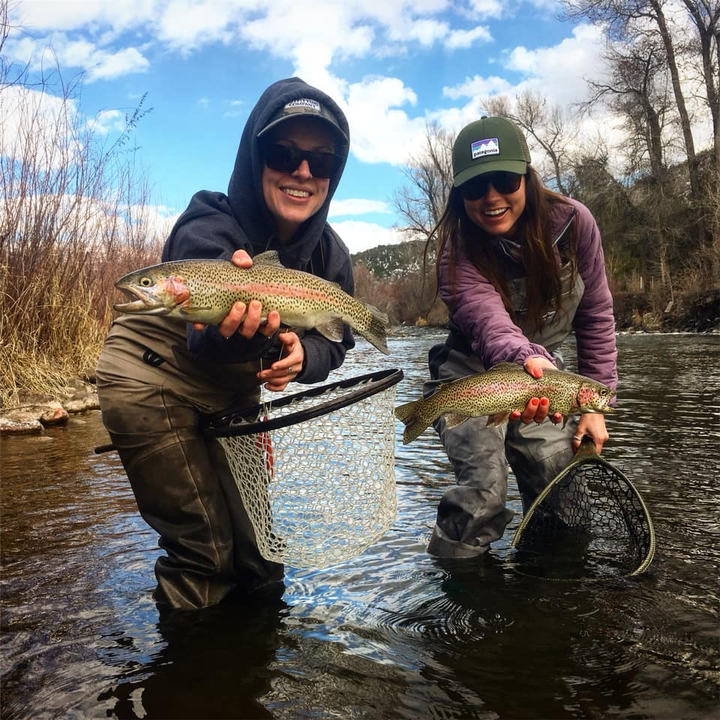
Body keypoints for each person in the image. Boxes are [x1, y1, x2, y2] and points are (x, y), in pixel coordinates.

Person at [96, 77, 354, 610]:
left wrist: (305, 358)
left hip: (233, 394)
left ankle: (258, 658)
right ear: (255, 158)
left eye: (321, 161)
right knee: (206, 553)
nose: (303, 171)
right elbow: (207, 338)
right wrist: (231, 316)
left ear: (335, 172)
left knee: (259, 555)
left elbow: (339, 336)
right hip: (150, 377)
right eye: (283, 154)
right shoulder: (208, 221)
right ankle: (194, 662)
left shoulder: (330, 258)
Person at [424, 115, 617, 559]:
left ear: (527, 177)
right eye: (476, 187)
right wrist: (528, 360)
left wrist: (594, 407)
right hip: (471, 372)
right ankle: (459, 586)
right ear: (460, 195)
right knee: (483, 491)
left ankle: (552, 583)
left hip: (543, 375)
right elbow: (489, 321)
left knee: (558, 480)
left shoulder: (574, 224)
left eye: (505, 180)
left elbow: (595, 316)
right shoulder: (455, 251)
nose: (492, 197)